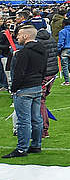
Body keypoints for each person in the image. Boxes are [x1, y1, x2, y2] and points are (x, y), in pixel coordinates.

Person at [2, 26, 45, 158]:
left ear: (26, 36)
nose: (17, 37)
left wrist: (13, 89)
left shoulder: (23, 53)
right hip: (37, 87)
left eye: (19, 35)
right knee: (36, 119)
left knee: (23, 121)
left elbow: (19, 73)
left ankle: (21, 148)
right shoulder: (42, 50)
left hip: (24, 89)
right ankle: (36, 145)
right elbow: (44, 69)